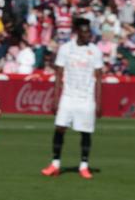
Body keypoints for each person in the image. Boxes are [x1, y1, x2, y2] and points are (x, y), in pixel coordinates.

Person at [42, 18, 103, 179]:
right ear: (77, 32)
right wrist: (55, 99)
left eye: (89, 32)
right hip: (68, 96)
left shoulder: (95, 51)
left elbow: (99, 78)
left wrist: (98, 102)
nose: (88, 35)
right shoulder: (65, 49)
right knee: (60, 128)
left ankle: (84, 166)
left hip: (86, 98)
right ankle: (55, 164)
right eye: (85, 32)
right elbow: (58, 75)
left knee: (85, 132)